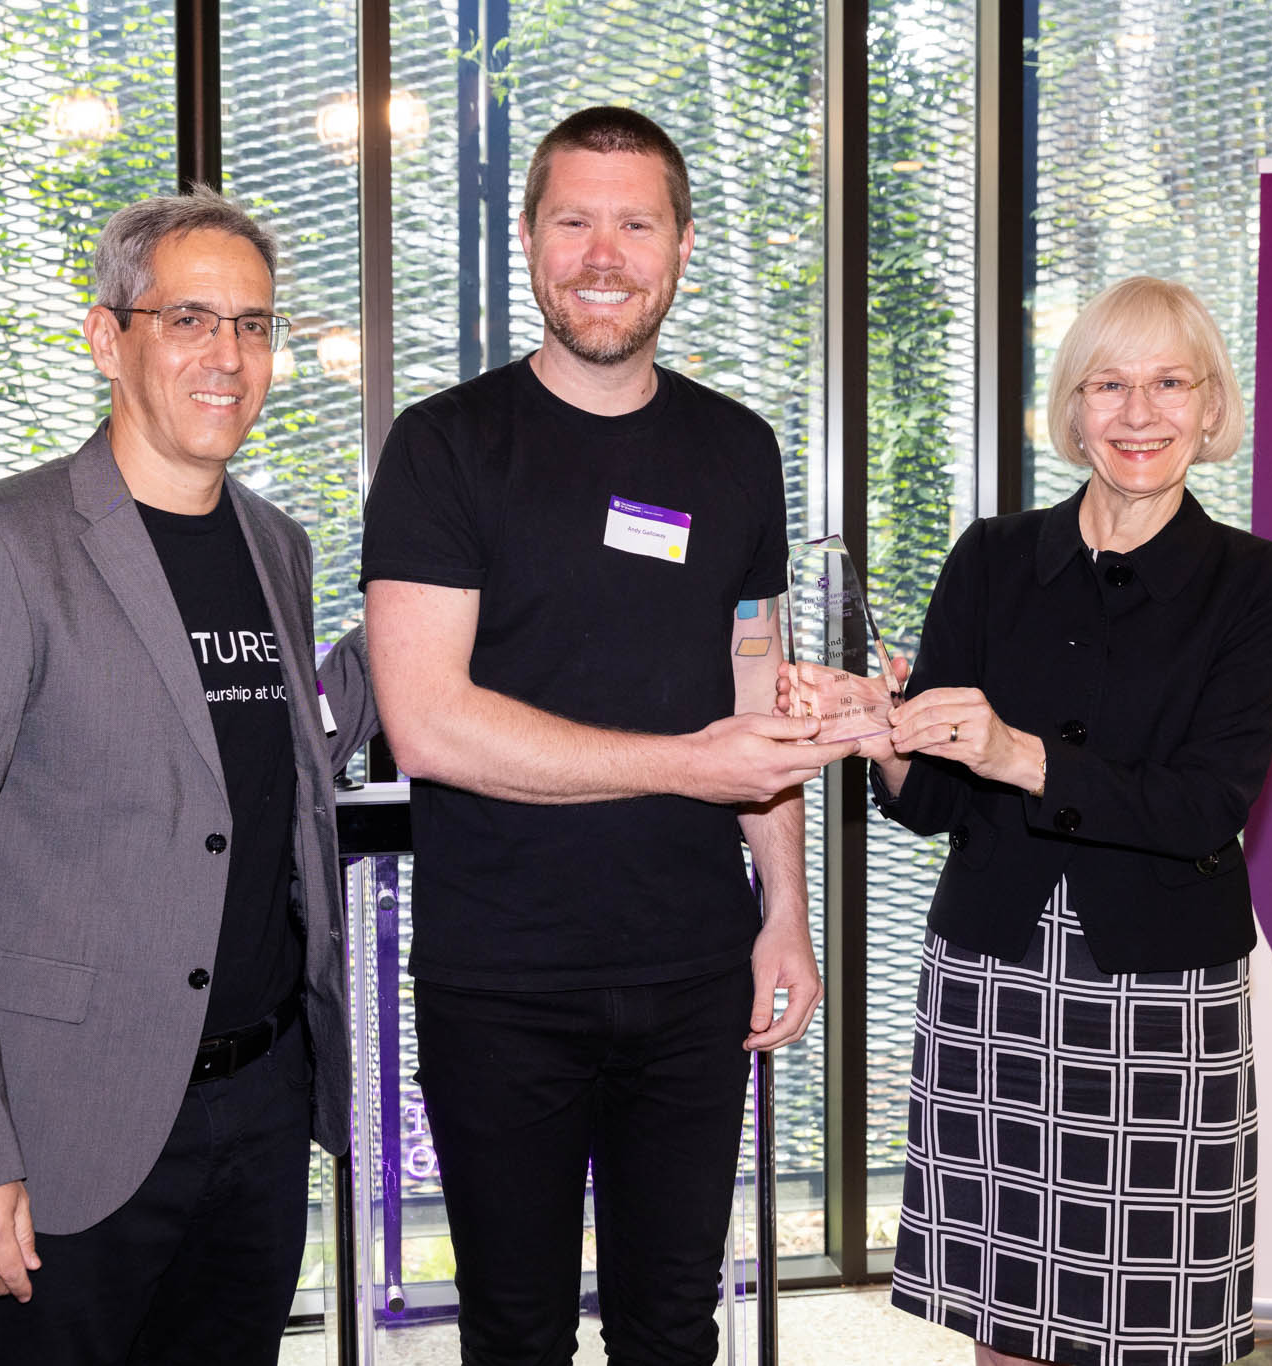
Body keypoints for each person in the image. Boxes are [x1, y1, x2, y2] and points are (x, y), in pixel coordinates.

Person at [360, 105, 850, 1365]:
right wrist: (684, 765)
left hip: (693, 971)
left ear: (681, 246)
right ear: (528, 239)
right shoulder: (444, 447)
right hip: (502, 981)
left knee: (673, 1324)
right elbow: (426, 722)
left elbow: (757, 689)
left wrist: (781, 905)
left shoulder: (736, 450)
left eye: (634, 223)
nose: (602, 252)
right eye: (573, 219)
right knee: (516, 1331)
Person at [0, 187, 378, 1366]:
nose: (229, 355)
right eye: (190, 318)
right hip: (50, 1135)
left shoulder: (273, 545)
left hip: (252, 1119)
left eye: (253, 325)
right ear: (109, 337)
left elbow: (271, 753)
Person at [793, 276, 1272, 1366]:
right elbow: (930, 804)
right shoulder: (989, 556)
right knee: (1009, 1324)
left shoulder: (1254, 581)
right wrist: (884, 734)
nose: (1137, 412)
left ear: (1210, 408)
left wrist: (1012, 752)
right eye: (1108, 384)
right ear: (1071, 410)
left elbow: (1204, 806)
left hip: (1162, 995)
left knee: (1153, 1323)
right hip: (994, 983)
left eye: (1170, 383)